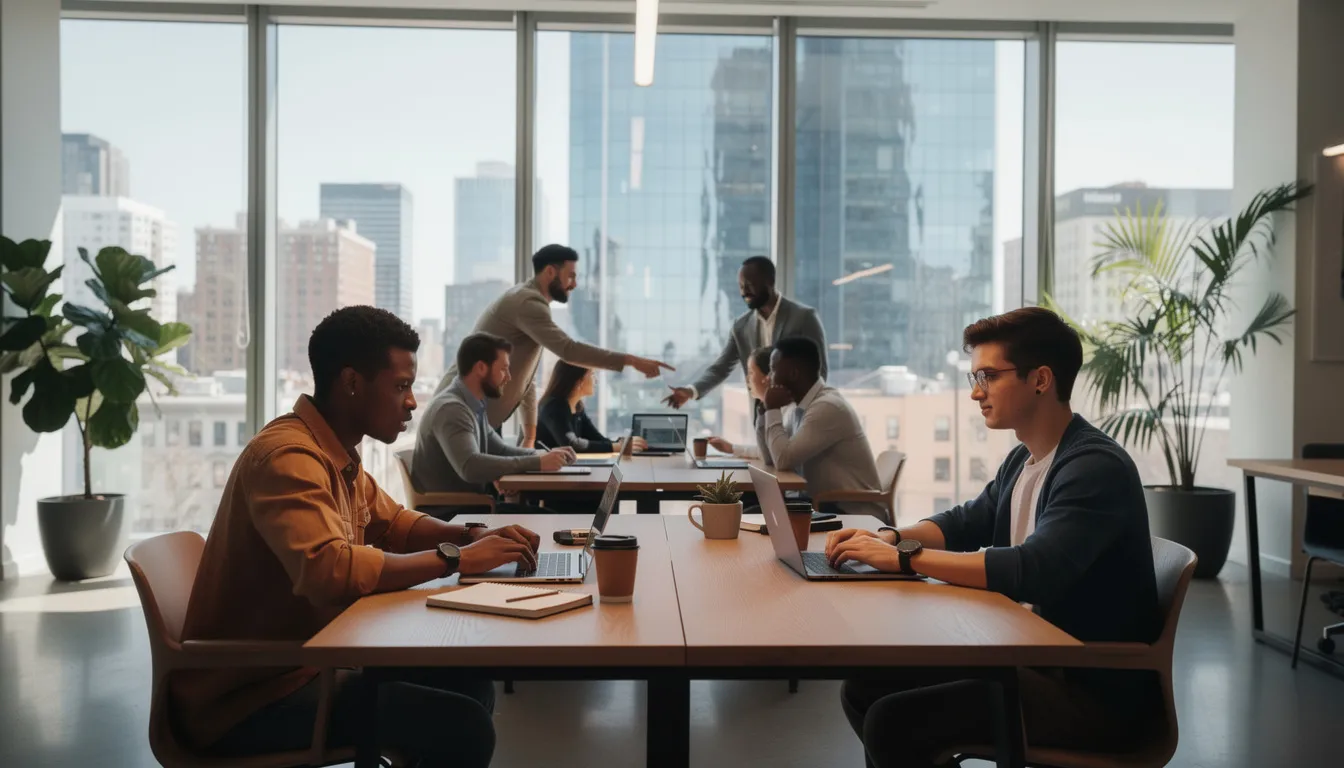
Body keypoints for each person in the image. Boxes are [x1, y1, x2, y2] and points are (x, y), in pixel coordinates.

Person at [174, 306, 544, 767]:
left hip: (307, 667)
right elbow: (329, 571)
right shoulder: (288, 458)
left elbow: (394, 523)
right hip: (250, 699)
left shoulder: (334, 451)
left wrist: (472, 534)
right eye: (401, 386)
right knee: (461, 726)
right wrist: (457, 559)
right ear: (351, 382)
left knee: (471, 682)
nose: (412, 401)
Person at [824, 307, 1162, 768]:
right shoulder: (1025, 458)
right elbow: (965, 521)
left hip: (1089, 690)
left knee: (893, 723)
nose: (976, 393)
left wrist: (904, 557)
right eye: (973, 378)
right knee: (864, 689)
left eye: (988, 376)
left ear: (1040, 380)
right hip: (1025, 655)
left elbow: (1032, 569)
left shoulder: (1094, 468)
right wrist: (888, 535)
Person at [436, 244, 673, 446]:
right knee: (482, 495)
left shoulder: (531, 306)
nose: (574, 284)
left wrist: (529, 433)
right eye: (570, 276)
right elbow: (568, 350)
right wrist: (632, 360)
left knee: (494, 493)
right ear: (550, 272)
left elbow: (524, 377)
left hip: (480, 416)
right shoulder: (527, 302)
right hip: (462, 410)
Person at [415, 333, 576, 513]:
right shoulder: (451, 409)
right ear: (481, 368)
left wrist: (544, 455)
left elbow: (501, 450)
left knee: (548, 515)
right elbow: (470, 466)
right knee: (550, 518)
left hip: (473, 507)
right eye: (503, 369)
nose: (508, 377)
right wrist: (538, 462)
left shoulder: (473, 406)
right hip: (453, 515)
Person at [663, 256, 826, 410]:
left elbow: (820, 372)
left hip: (798, 416)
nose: (744, 292)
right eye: (741, 286)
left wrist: (802, 412)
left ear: (770, 281)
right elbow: (721, 368)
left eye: (749, 284)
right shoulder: (741, 327)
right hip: (763, 418)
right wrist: (691, 391)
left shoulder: (804, 318)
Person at [756, 337, 883, 517]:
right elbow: (770, 457)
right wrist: (764, 413)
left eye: (773, 369)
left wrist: (773, 409)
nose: (768, 378)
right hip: (820, 504)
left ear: (793, 374)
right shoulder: (799, 409)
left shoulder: (827, 407)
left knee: (759, 513)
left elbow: (783, 459)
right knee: (755, 508)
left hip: (850, 511)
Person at [536, 361, 647, 454]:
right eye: (592, 374)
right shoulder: (554, 407)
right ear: (578, 381)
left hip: (561, 468)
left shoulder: (577, 407)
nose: (596, 381)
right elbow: (573, 445)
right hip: (542, 474)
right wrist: (618, 447)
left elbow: (596, 439)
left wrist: (622, 443)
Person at [705, 345, 776, 460]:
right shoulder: (766, 408)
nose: (747, 379)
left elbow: (772, 455)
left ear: (767, 377)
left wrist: (732, 448)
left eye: (751, 373)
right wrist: (731, 448)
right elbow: (766, 451)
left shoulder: (785, 413)